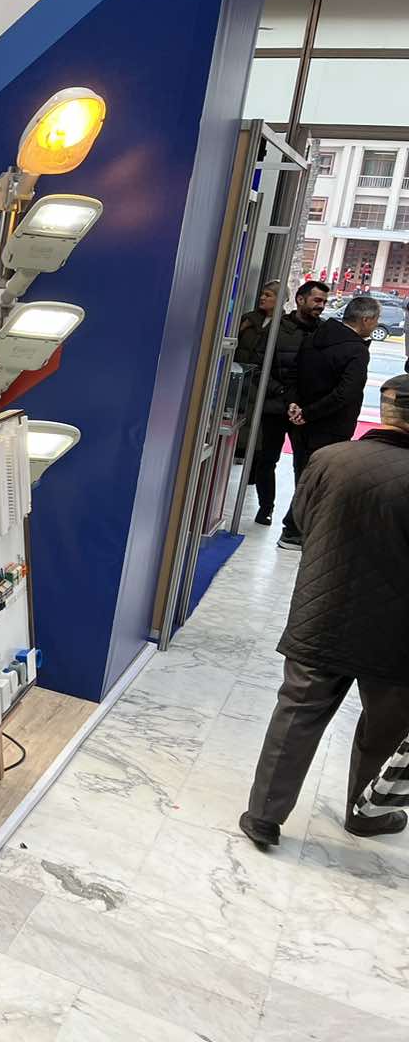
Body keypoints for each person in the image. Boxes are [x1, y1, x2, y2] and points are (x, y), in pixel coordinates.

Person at [240, 374, 409, 848]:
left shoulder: (330, 458)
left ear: (384, 411)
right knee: (385, 725)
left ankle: (263, 817)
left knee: (297, 713)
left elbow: (302, 521)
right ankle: (366, 813)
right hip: (396, 630)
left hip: (323, 609)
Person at [277, 294, 379, 549]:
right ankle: (293, 531)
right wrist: (309, 413)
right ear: (366, 320)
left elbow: (293, 375)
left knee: (304, 474)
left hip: (300, 422)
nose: (376, 325)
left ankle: (295, 528)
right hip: (330, 426)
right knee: (318, 480)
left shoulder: (314, 337)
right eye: (376, 320)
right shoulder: (356, 350)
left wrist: (295, 405)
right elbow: (346, 393)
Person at [240, 280, 325, 526]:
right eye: (317, 300)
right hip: (276, 406)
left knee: (304, 465)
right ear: (300, 299)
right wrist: (280, 391)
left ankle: (296, 518)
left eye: (324, 301)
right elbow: (257, 367)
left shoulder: (324, 332)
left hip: (305, 410)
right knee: (267, 459)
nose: (321, 305)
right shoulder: (276, 329)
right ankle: (266, 507)